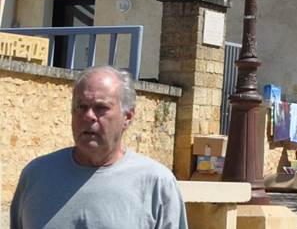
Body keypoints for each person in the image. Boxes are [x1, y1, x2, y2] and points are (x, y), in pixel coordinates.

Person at [11, 66, 187, 229]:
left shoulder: (156, 184)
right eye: (81, 107)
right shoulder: (36, 176)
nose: (89, 116)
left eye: (101, 107)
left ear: (128, 116)